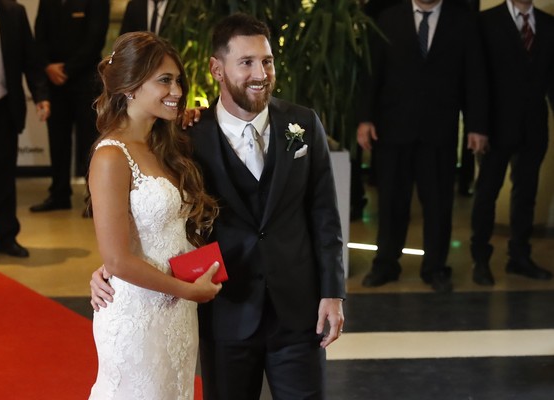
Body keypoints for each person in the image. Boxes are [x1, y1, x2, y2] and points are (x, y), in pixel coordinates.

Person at [92, 13, 346, 399]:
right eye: (246, 62)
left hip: (298, 313)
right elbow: (147, 215)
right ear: (217, 69)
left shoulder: (303, 124)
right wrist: (112, 267)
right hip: (224, 311)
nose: (259, 73)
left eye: (267, 61)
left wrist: (333, 291)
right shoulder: (186, 138)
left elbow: (325, 215)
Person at [87, 32, 222, 399]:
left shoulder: (166, 144)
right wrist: (187, 291)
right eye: (164, 80)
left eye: (178, 80)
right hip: (137, 316)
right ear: (130, 87)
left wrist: (186, 294)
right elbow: (115, 258)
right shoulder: (111, 157)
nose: (177, 90)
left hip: (177, 314)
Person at [357, 0, 488, 293]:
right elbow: (372, 72)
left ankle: (436, 268)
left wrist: (477, 125)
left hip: (439, 132)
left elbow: (474, 75)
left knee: (439, 204)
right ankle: (386, 264)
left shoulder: (462, 20)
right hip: (392, 129)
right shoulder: (387, 17)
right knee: (391, 202)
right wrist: (365, 119)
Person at [470, 0, 554, 286]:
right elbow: (477, 77)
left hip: (534, 127)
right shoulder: (486, 21)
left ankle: (519, 256)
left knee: (526, 194)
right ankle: (480, 259)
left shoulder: (548, 23)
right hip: (494, 127)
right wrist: (477, 127)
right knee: (486, 193)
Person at [0, 0, 50, 258]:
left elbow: (31, 58)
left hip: (1, 110)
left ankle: (6, 238)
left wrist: (41, 96)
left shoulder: (13, 13)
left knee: (2, 177)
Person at [29, 0, 109, 213]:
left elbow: (95, 39)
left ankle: (93, 199)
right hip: (54, 84)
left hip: (86, 82)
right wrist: (47, 66)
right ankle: (59, 194)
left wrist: (66, 70)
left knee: (89, 142)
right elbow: (40, 36)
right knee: (58, 141)